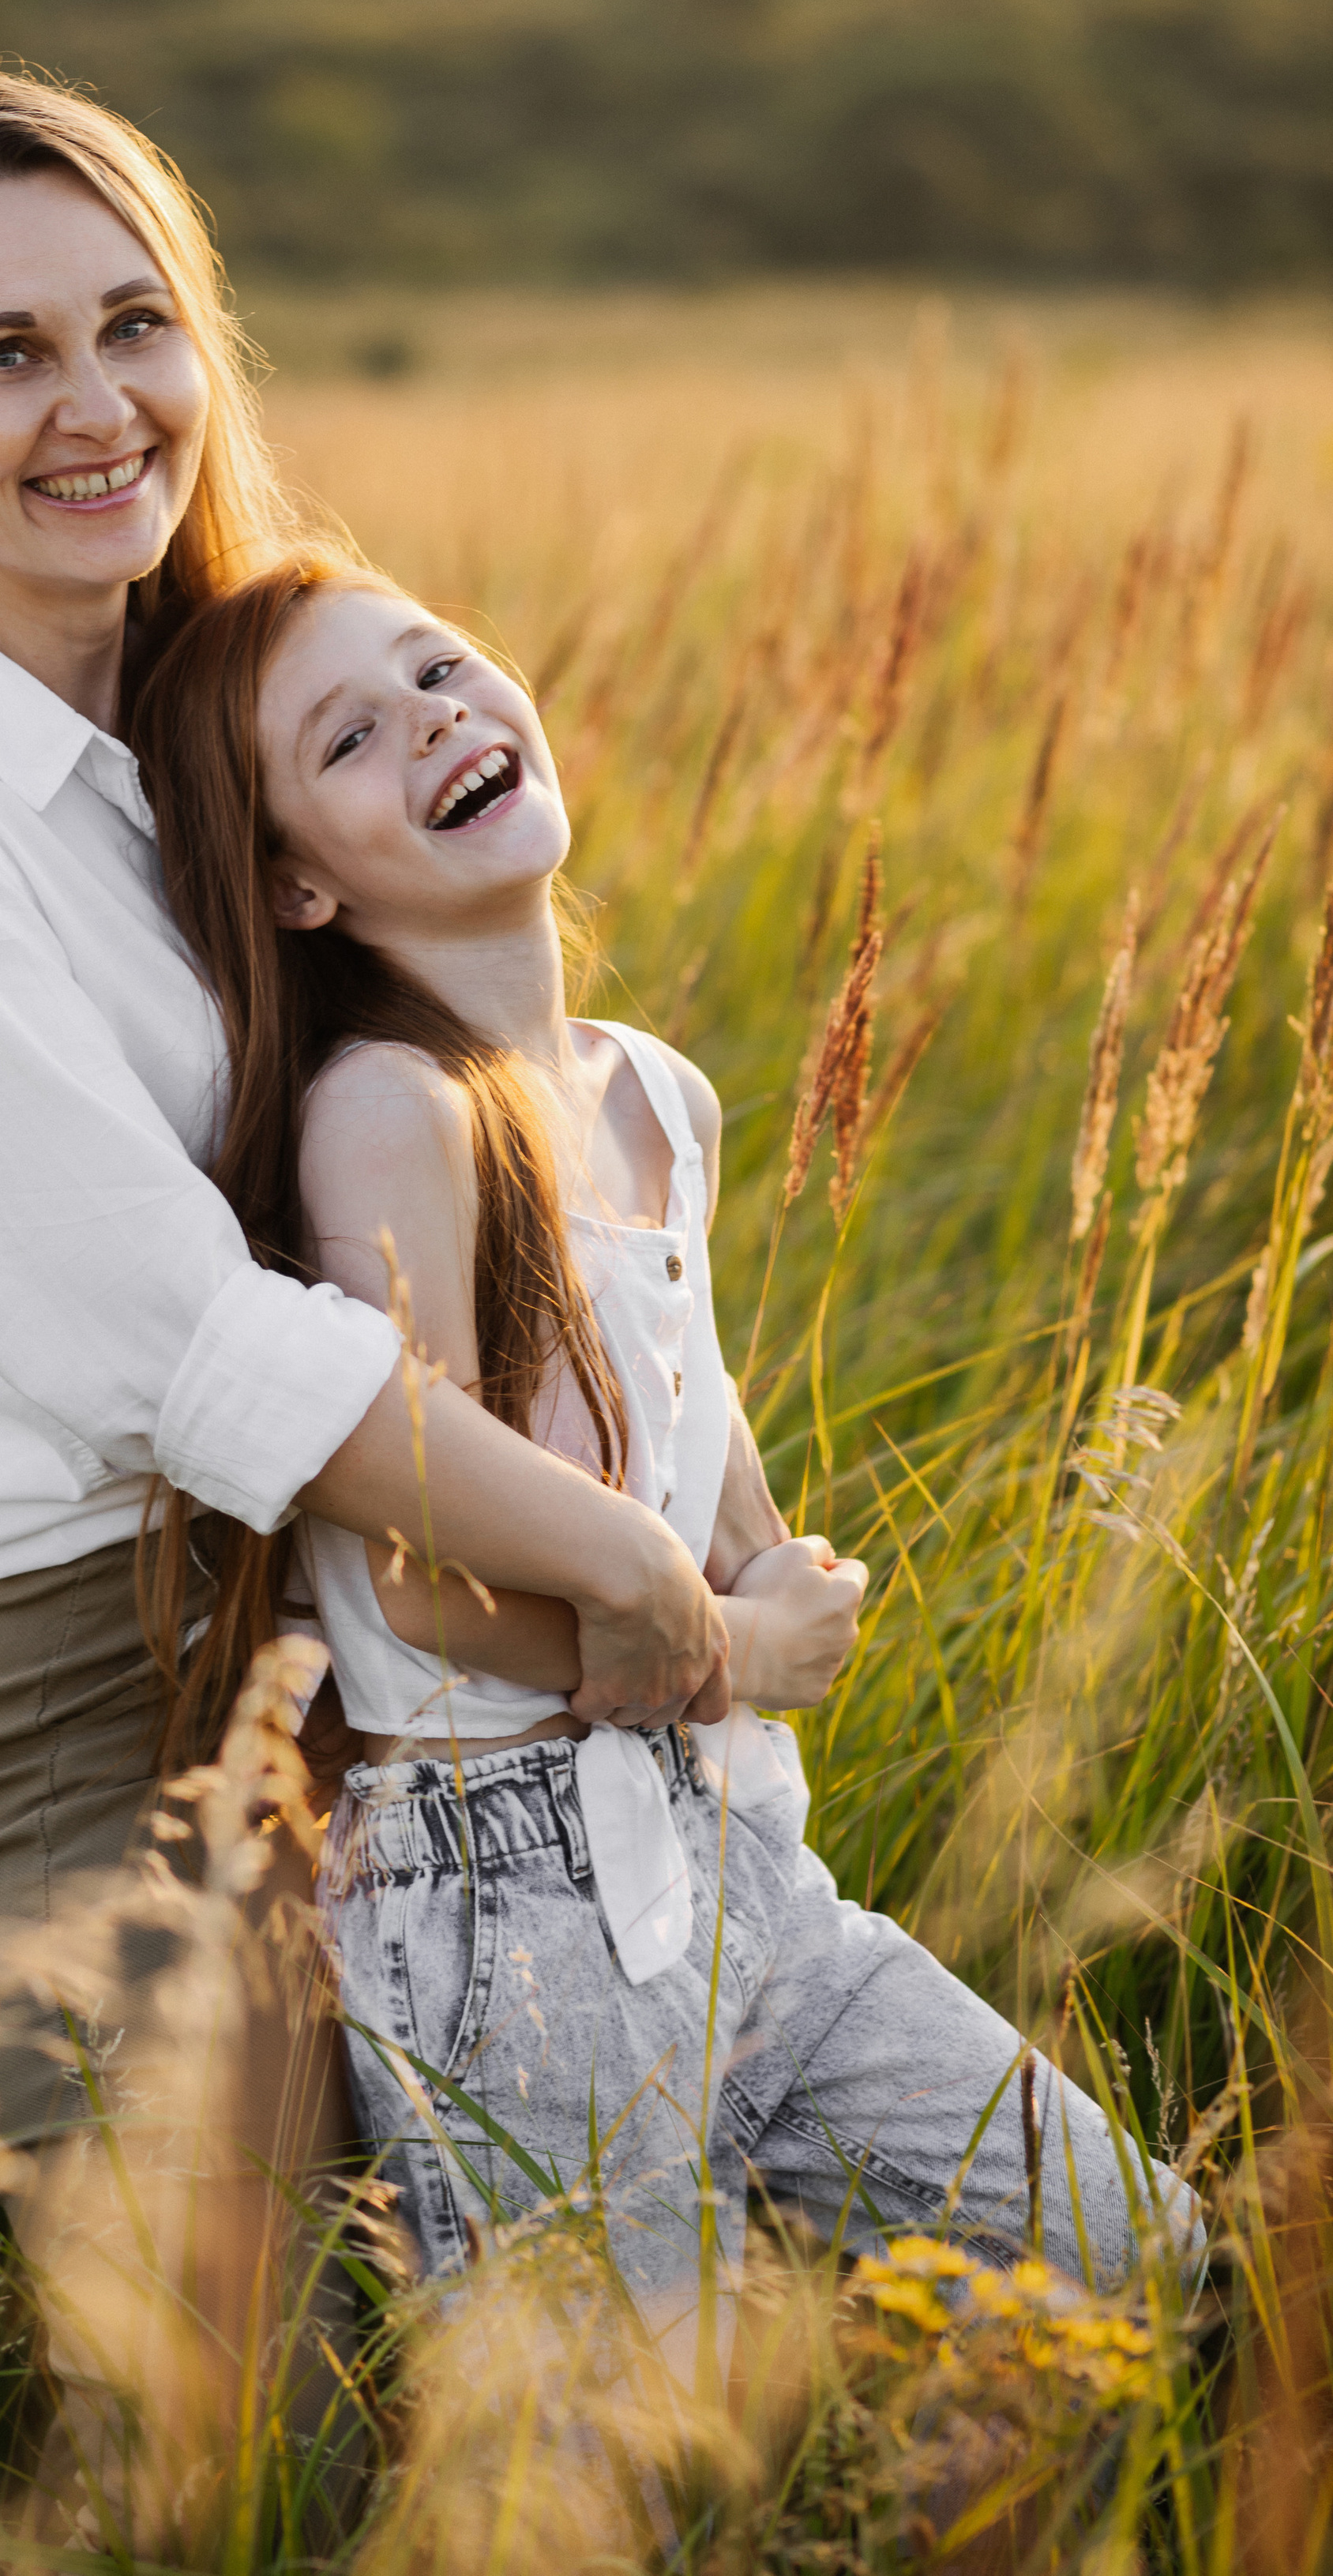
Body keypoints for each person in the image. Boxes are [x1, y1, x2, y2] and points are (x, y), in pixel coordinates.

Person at [0, 65, 738, 2256]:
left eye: (134, 322)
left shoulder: (210, 707)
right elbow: (178, 1343)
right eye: (2, 354)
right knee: (219, 2406)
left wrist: (693, 1511)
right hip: (95, 1674)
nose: (98, 404)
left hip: (376, 1630)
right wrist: (631, 1573)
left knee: (533, 2323)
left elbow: (453, 1071)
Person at [131, 549, 1204, 2341]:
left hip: (732, 1867)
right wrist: (730, 1656)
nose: (435, 720)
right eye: (351, 735)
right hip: (500, 1907)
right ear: (297, 882)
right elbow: (421, 1576)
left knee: (1138, 2279)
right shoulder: (386, 1115)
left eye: (442, 667)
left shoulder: (649, 1090)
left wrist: (772, 1570)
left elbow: (689, 1419)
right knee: (615, 2472)